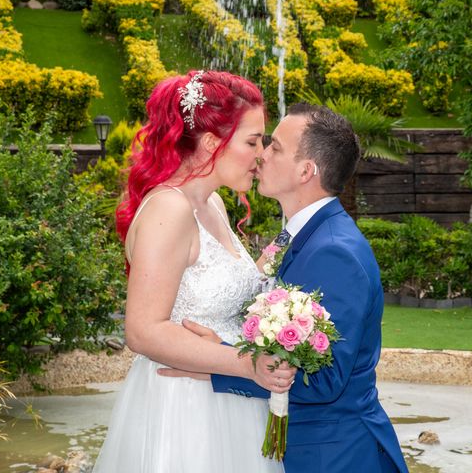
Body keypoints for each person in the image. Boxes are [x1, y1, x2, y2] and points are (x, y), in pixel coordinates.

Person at [161, 103, 409, 472]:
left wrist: (223, 364)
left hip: (333, 456)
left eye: (275, 147)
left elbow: (325, 380)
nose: (261, 154)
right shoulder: (300, 236)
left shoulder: (334, 252)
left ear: (307, 171)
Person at [92, 70, 295, 473]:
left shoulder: (213, 204)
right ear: (210, 143)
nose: (261, 155)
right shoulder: (170, 208)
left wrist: (293, 238)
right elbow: (143, 329)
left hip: (224, 398)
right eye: (252, 141)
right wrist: (245, 363)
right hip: (185, 410)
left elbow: (220, 286)